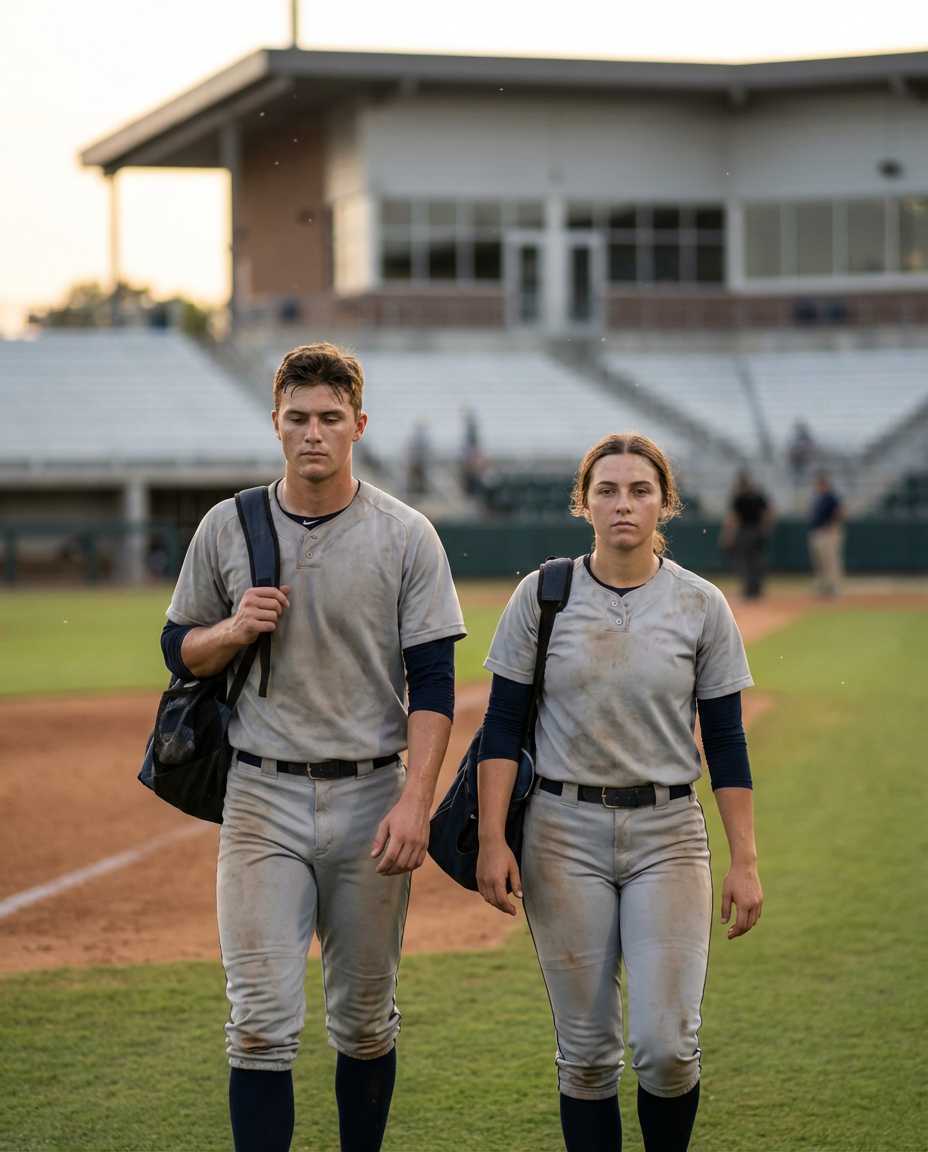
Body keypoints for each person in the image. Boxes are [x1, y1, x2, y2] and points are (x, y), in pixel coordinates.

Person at [159, 343, 465, 1152]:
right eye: (297, 418)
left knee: (364, 1024)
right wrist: (232, 628)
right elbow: (176, 648)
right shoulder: (228, 526)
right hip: (260, 795)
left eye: (331, 418)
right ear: (275, 424)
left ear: (359, 425)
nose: (314, 434)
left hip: (372, 795)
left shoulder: (407, 535)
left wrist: (416, 801)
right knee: (258, 1022)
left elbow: (435, 682)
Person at [475, 432, 763, 1152]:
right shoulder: (542, 596)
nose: (623, 504)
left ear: (664, 502)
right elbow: (501, 725)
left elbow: (725, 740)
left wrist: (746, 858)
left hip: (668, 833)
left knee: (667, 1049)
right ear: (584, 503)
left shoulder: (701, 605)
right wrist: (489, 841)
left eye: (640, 490)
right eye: (607, 490)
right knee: (588, 1057)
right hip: (560, 835)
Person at [720, 474, 773, 599]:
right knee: (756, 560)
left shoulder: (740, 498)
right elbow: (768, 512)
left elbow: (735, 518)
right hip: (757, 531)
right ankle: (757, 589)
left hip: (745, 531)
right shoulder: (758, 496)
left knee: (744, 561)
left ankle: (749, 590)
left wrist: (729, 534)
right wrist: (764, 528)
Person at [808, 473, 844, 597]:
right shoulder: (818, 498)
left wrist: (830, 524)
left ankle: (833, 586)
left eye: (817, 484)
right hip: (817, 530)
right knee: (819, 560)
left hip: (828, 531)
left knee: (831, 559)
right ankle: (823, 585)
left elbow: (839, 511)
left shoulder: (831, 497)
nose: (815, 487)